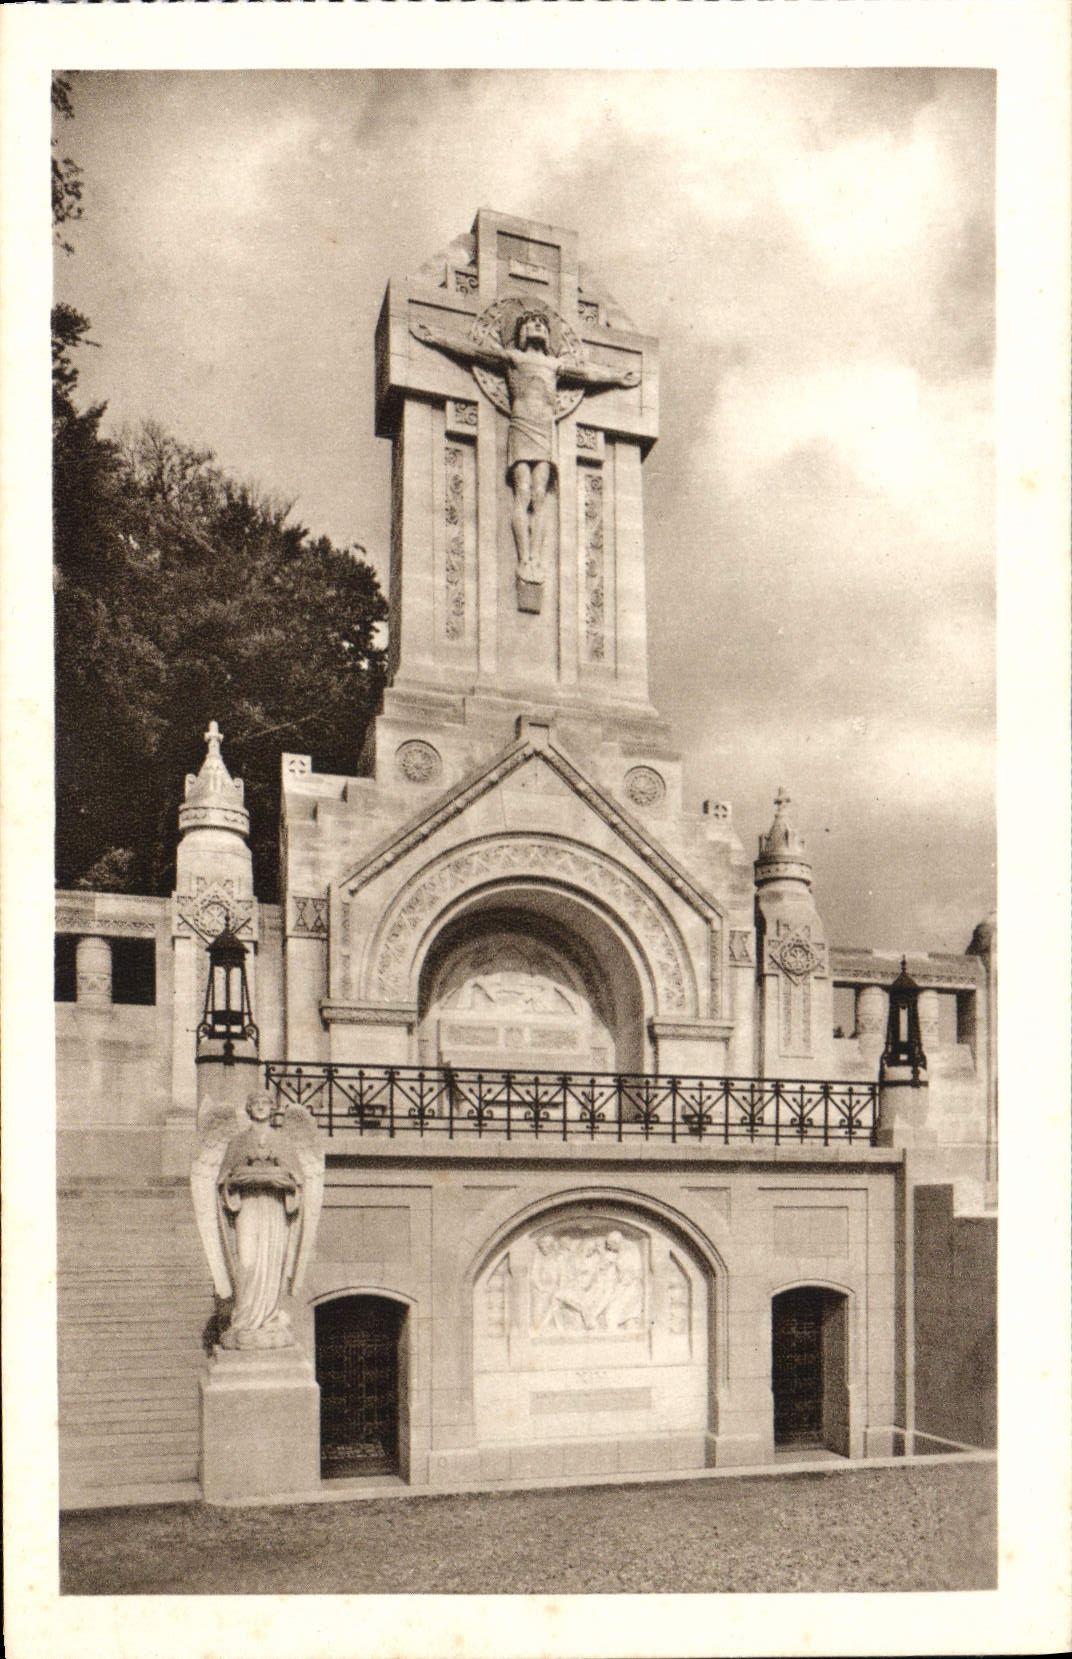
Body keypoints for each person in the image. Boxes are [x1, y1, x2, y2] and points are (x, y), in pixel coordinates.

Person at [411, 307, 640, 588]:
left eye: (542, 324)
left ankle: (536, 558)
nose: (537, 326)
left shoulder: (555, 365)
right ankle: (523, 557)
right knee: (522, 492)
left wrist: (617, 377)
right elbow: (471, 351)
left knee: (539, 495)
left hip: (545, 429)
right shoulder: (513, 358)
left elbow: (588, 374)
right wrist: (436, 337)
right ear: (520, 333)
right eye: (531, 323)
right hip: (521, 424)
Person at [216, 1092, 305, 1349]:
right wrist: (237, 1182)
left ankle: (268, 1317)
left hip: (275, 1209)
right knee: (247, 1262)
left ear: (272, 1108)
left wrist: (283, 1182)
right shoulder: (238, 1142)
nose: (261, 1108)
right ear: (249, 1108)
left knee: (272, 1262)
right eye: (256, 1104)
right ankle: (245, 1320)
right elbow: (224, 1181)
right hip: (248, 1209)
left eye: (266, 1104)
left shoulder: (282, 1141)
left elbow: (296, 1181)